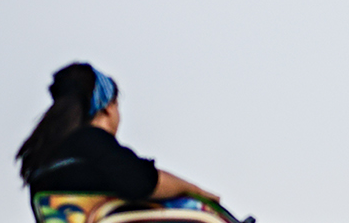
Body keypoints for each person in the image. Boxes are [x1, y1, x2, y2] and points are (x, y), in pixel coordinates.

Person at [17, 63, 217, 201]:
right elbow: (142, 181)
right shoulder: (92, 142)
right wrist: (193, 190)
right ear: (108, 107)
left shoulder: (46, 156)